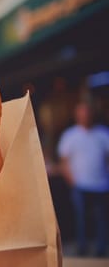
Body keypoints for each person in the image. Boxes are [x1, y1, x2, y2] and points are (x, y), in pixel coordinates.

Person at [58, 102, 109, 257]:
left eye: (87, 113)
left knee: (102, 219)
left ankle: (101, 248)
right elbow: (64, 161)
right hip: (80, 185)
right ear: (77, 116)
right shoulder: (70, 135)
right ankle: (82, 247)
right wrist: (72, 181)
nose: (85, 116)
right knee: (80, 219)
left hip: (101, 184)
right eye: (82, 114)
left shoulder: (103, 133)